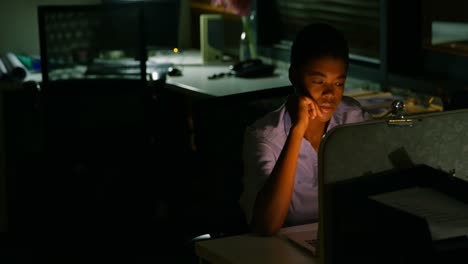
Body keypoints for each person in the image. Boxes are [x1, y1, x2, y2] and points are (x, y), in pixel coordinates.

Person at [239, 23, 372, 236]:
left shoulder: (351, 118)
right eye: (319, 82)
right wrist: (297, 131)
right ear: (294, 76)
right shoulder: (265, 137)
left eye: (338, 84)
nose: (330, 94)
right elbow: (265, 225)